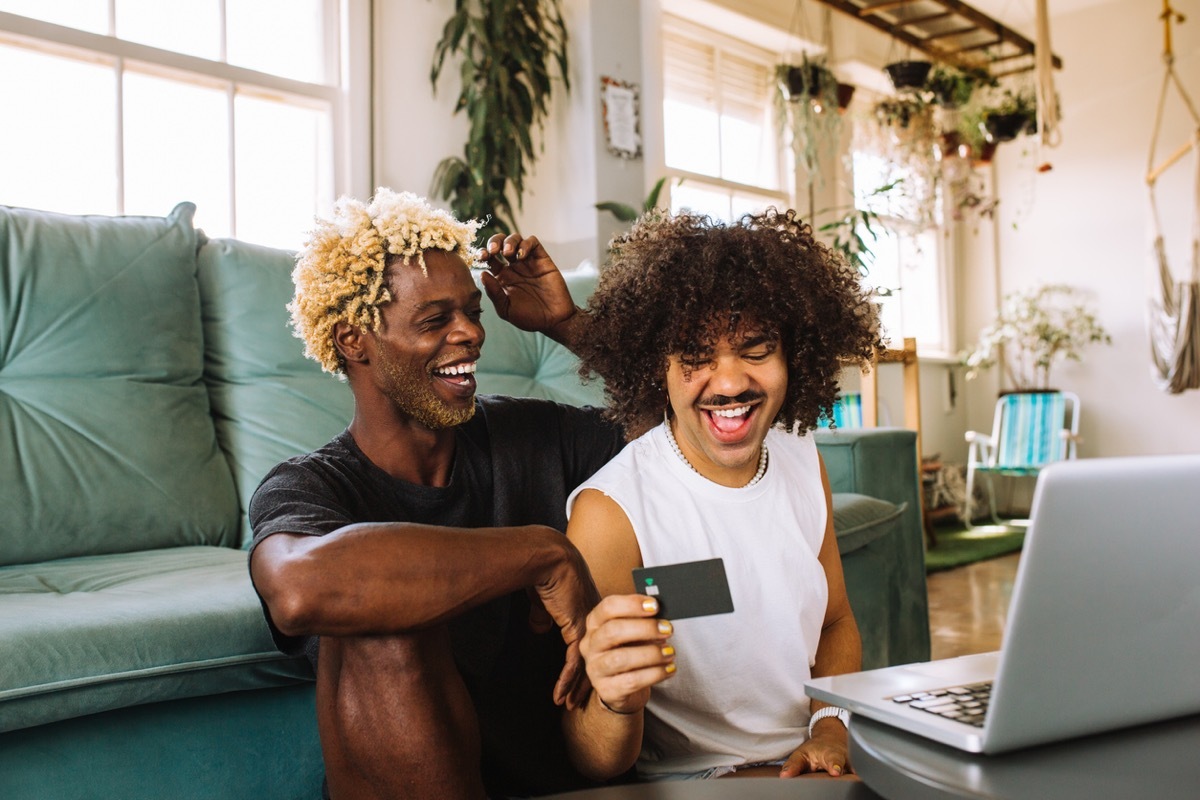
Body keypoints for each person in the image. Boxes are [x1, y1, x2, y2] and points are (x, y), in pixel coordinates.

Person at [247, 189, 627, 800]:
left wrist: (566, 323)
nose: (472, 335)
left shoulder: (529, 436)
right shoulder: (311, 485)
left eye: (472, 313)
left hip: (560, 778)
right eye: (435, 320)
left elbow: (688, 421)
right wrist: (541, 553)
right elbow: (298, 589)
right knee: (380, 612)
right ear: (354, 340)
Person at [560, 208, 884, 781]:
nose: (730, 382)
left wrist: (830, 726)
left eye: (755, 350)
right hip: (702, 781)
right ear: (655, 364)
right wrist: (617, 699)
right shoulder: (610, 514)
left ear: (794, 356)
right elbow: (593, 762)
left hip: (816, 766)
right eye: (696, 355)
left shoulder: (801, 456)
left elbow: (835, 621)